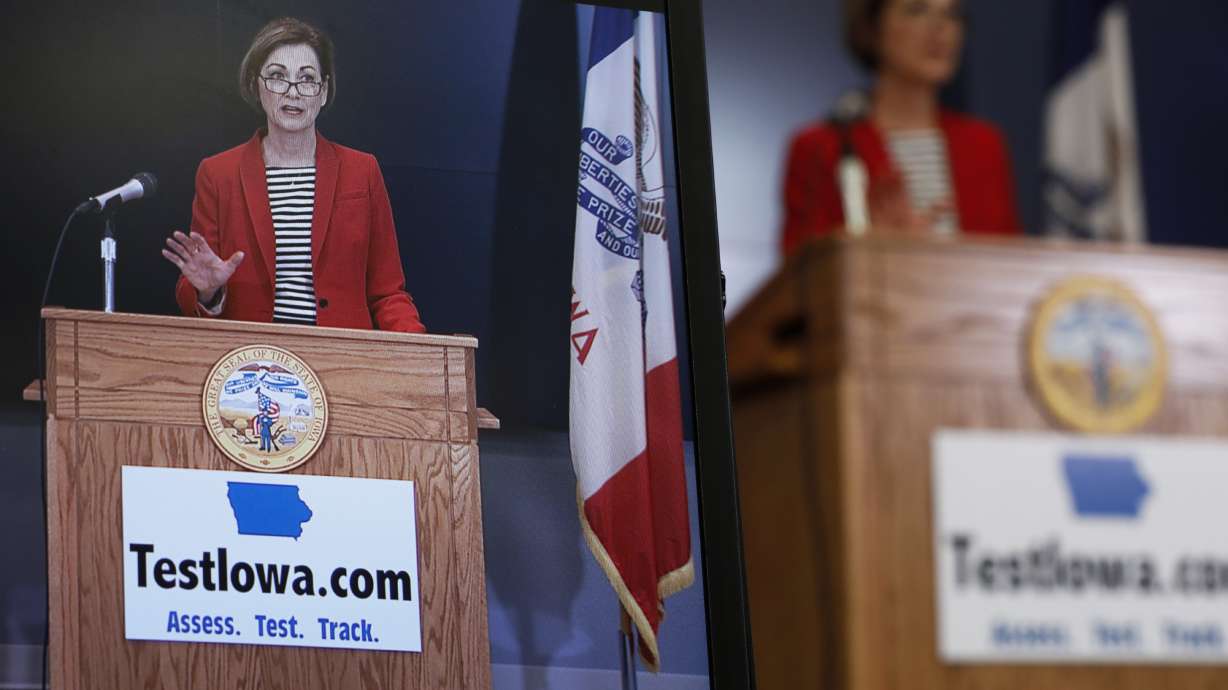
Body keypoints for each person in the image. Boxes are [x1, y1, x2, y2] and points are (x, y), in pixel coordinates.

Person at [163, 17, 426, 332]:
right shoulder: (218, 173)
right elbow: (193, 288)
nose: (293, 92)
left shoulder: (362, 170)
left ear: (324, 91)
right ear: (256, 86)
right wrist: (208, 290)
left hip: (342, 357)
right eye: (277, 77)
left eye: (307, 79)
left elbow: (387, 293)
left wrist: (419, 357)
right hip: (253, 360)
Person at [781, 0, 1021, 254]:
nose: (940, 28)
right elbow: (802, 277)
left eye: (951, 15)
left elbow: (1011, 265)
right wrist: (874, 250)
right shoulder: (821, 147)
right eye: (917, 10)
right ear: (872, 29)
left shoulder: (984, 144)